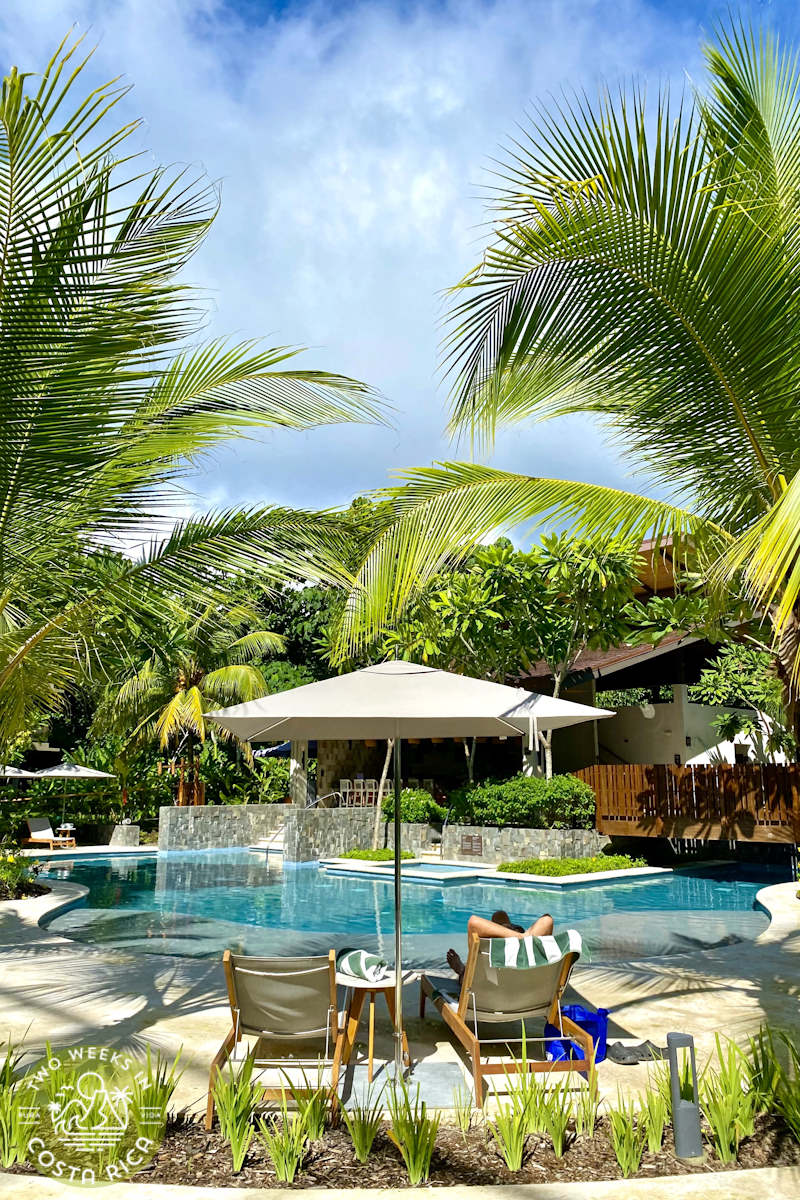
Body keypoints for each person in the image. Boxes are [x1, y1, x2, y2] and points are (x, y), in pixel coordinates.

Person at [446, 909, 554, 983]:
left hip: (490, 998)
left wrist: (461, 970)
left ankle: (509, 932)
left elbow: (473, 923)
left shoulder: (488, 971)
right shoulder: (530, 959)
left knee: (499, 916)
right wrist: (524, 936)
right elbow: (547, 920)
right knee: (500, 915)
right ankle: (514, 933)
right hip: (527, 996)